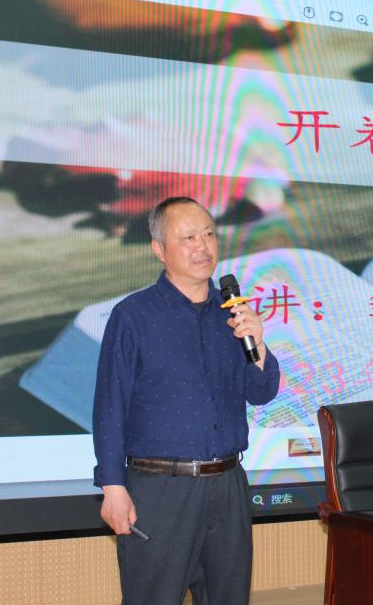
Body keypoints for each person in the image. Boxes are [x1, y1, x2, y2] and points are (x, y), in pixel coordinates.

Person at [92, 196, 281, 605]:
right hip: (160, 491)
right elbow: (109, 407)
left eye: (209, 235)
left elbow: (262, 392)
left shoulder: (233, 315)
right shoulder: (133, 316)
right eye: (189, 238)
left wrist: (259, 345)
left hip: (227, 485)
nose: (203, 246)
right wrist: (112, 487)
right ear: (159, 249)